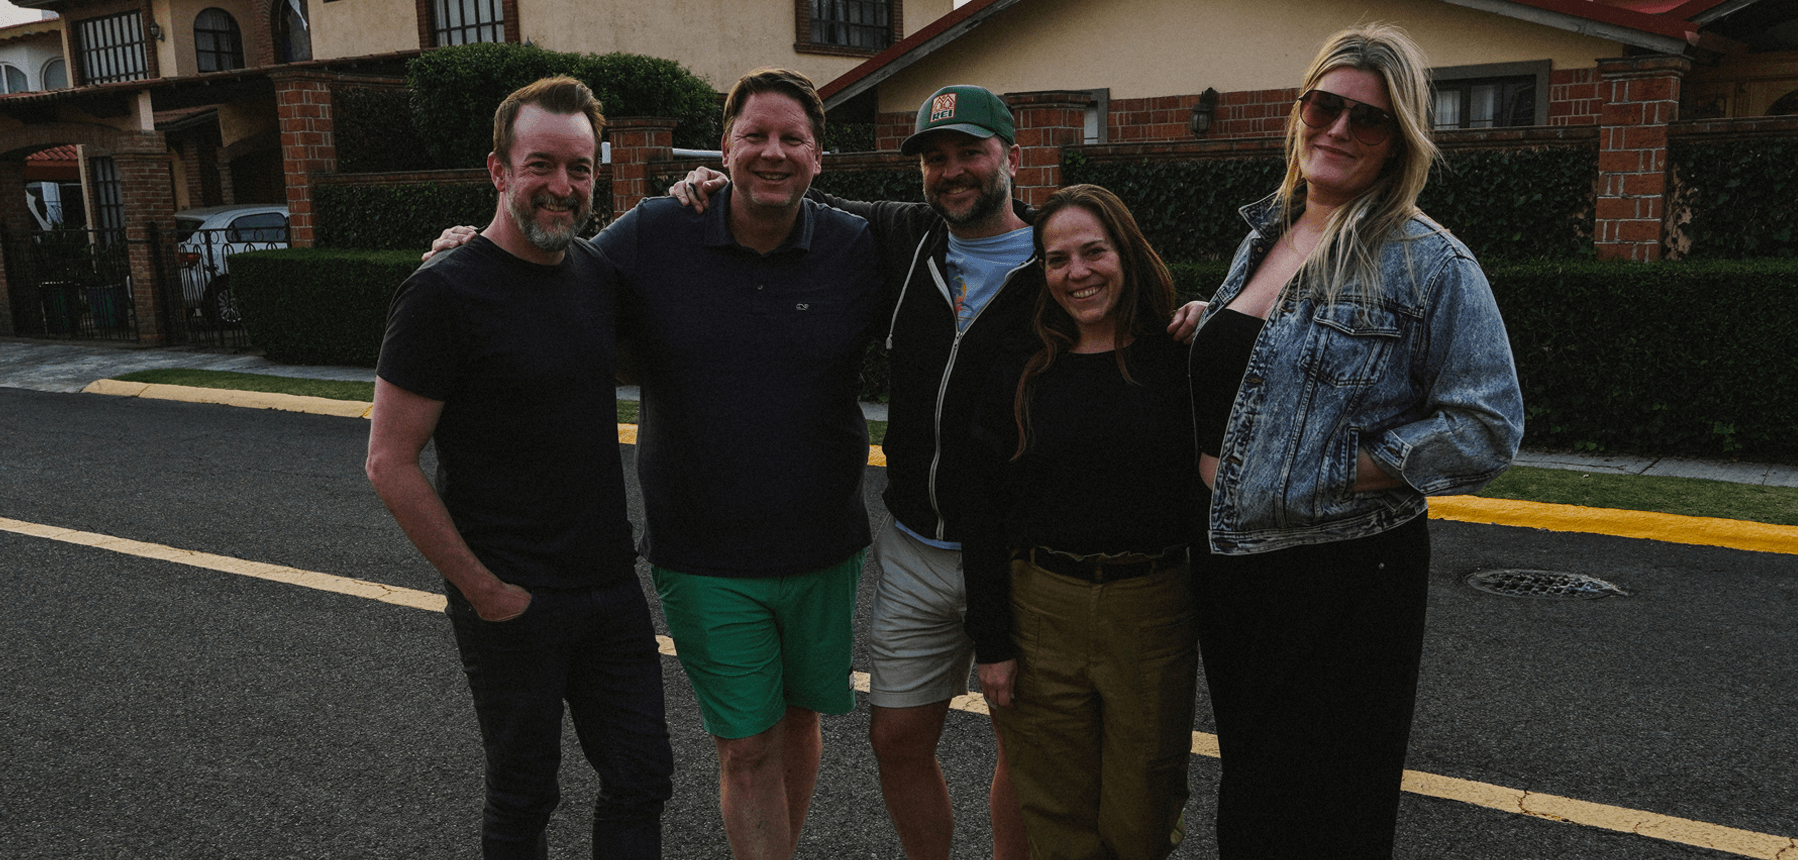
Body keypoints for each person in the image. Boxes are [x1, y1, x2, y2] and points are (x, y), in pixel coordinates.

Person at [669, 85, 1202, 860]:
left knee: (1026, 746)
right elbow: (792, 192)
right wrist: (716, 180)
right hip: (916, 544)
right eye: (935, 157)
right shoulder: (901, 236)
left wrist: (1204, 314)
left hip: (1018, 556)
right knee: (896, 738)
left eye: (970, 153)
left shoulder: (1057, 260)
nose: (953, 171)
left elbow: (1135, 315)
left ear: (1011, 156)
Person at [428, 68, 882, 860]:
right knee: (747, 743)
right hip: (705, 554)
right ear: (724, 148)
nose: (772, 152)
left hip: (825, 546)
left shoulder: (855, 245)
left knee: (800, 719)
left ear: (819, 156)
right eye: (754, 136)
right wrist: (470, 253)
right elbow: (549, 268)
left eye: (792, 139)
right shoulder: (658, 231)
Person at [1186, 25, 1524, 858]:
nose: (1337, 129)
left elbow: (1485, 427)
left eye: (1366, 118)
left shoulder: (1428, 262)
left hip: (1343, 579)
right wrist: (1209, 326)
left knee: (1322, 819)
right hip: (1233, 569)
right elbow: (1276, 364)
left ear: (1398, 139)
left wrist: (1325, 468)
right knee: (1253, 804)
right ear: (1300, 111)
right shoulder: (1265, 235)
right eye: (1324, 106)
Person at [365, 76, 673, 859]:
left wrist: (701, 187)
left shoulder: (596, 276)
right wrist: (485, 592)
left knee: (642, 778)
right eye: (541, 165)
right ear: (499, 170)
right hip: (511, 599)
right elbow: (390, 462)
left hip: (609, 588)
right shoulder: (441, 293)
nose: (562, 186)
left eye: (580, 168)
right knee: (524, 794)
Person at [958, 184, 1202, 860]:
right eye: (1057, 259)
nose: (1078, 273)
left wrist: (1218, 318)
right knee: (1056, 821)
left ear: (1126, 252)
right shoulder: (1019, 370)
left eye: (1093, 252)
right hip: (1042, 612)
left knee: (1141, 820)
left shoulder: (1179, 360)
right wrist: (992, 642)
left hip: (1152, 613)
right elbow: (982, 510)